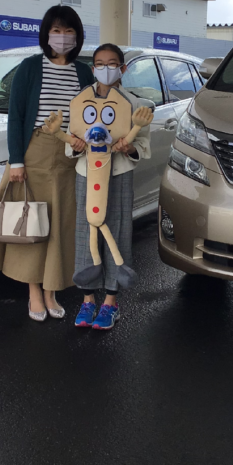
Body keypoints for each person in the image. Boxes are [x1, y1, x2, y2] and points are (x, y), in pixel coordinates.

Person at [0, 5, 94, 322]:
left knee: (60, 226)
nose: (62, 37)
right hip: (35, 154)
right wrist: (17, 161)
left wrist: (85, 139)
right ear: (46, 34)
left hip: (71, 156)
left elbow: (90, 115)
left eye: (68, 31)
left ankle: (51, 289)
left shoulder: (83, 72)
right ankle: (34, 291)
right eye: (56, 31)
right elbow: (16, 117)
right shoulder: (31, 67)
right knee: (31, 222)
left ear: (77, 36)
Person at [67, 44, 151, 330]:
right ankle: (88, 299)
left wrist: (129, 148)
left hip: (119, 175)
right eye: (100, 64)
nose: (106, 69)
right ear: (93, 69)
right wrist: (76, 146)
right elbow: (71, 138)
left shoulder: (135, 104)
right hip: (87, 173)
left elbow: (143, 145)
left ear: (122, 69)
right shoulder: (81, 101)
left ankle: (110, 303)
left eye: (112, 64)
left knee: (117, 230)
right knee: (85, 232)